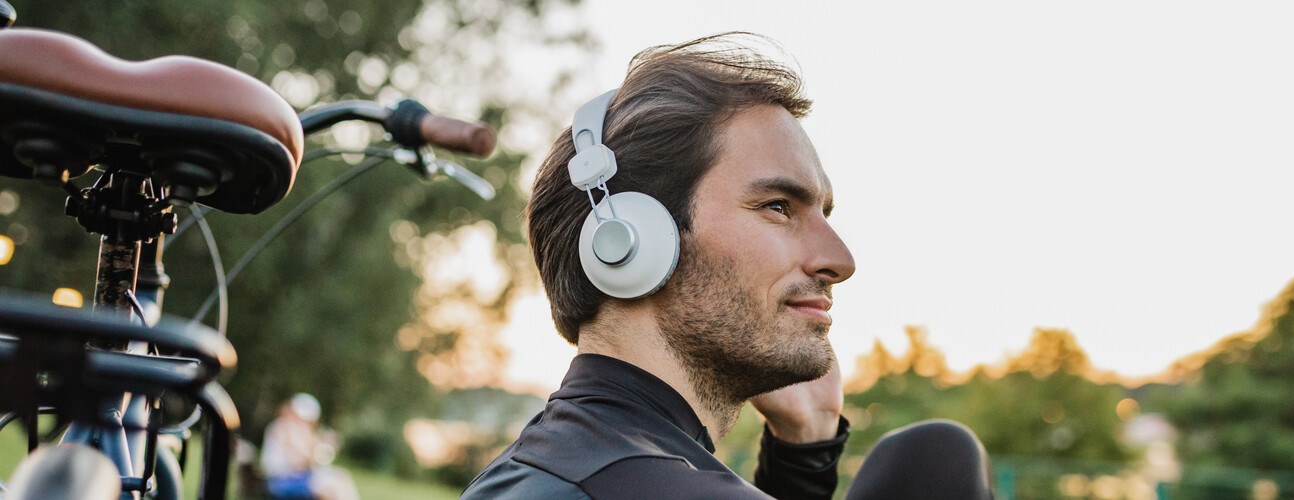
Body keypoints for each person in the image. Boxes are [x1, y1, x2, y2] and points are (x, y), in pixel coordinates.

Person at [462, 33, 992, 499]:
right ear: (629, 242)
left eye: (823, 213)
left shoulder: (526, 470)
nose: (840, 262)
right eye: (778, 207)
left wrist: (803, 451)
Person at [260, 393, 359, 500]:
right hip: (280, 480)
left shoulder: (288, 427)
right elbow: (298, 463)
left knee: (341, 477)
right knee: (329, 488)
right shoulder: (283, 428)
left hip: (292, 477)